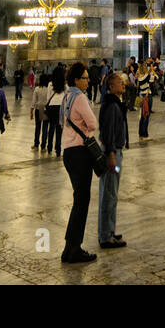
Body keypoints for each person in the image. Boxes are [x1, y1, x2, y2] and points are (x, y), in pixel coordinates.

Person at [61, 62, 100, 262]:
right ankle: (74, 249)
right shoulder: (81, 98)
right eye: (85, 78)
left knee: (79, 200)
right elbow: (93, 123)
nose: (88, 80)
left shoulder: (67, 96)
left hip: (68, 152)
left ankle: (70, 247)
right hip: (80, 153)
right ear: (76, 80)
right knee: (82, 201)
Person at [97, 71, 129, 249]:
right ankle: (106, 236)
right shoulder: (111, 106)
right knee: (109, 194)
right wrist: (110, 155)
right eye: (119, 82)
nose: (123, 84)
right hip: (112, 155)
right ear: (111, 87)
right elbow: (107, 133)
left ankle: (108, 230)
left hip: (115, 153)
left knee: (110, 193)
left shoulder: (115, 104)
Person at [44, 65, 66, 155]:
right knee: (59, 129)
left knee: (51, 128)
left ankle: (49, 148)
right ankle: (58, 149)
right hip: (61, 107)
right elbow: (66, 98)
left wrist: (46, 108)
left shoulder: (50, 84)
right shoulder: (65, 85)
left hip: (52, 106)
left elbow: (48, 97)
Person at [136, 60, 156, 140]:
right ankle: (145, 135)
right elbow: (155, 78)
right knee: (146, 115)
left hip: (142, 96)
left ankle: (141, 134)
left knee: (142, 116)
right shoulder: (147, 76)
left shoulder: (139, 77)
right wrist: (152, 70)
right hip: (147, 97)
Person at [31, 72, 51, 149]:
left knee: (38, 127)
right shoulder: (49, 89)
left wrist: (31, 111)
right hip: (46, 109)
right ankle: (43, 146)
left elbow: (33, 101)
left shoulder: (37, 89)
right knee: (45, 128)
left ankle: (36, 145)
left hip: (38, 109)